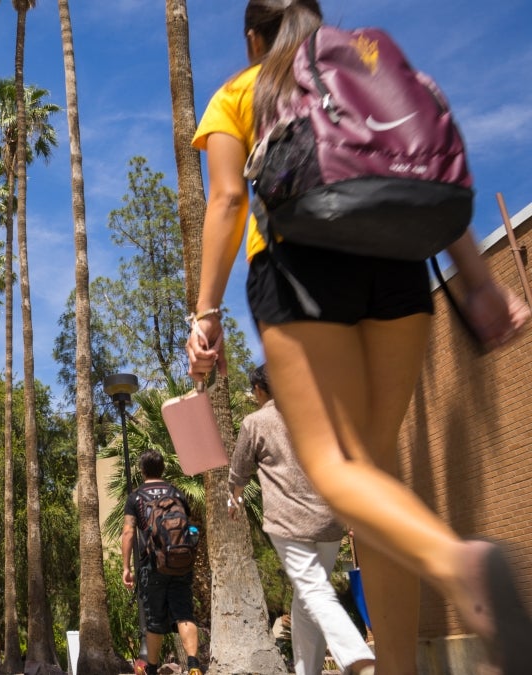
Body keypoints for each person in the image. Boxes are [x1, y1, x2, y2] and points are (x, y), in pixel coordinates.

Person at [186, 1, 532, 673]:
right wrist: (477, 280)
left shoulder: (243, 90)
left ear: (253, 37)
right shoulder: (374, 68)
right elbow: (424, 168)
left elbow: (227, 200)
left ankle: (460, 562)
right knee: (377, 475)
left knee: (335, 466)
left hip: (302, 260)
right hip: (399, 261)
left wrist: (205, 313)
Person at [229, 365, 375, 675]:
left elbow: (238, 472)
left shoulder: (255, 421)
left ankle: (360, 660)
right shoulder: (315, 415)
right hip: (329, 520)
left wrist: (234, 498)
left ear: (258, 390)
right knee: (306, 597)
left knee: (313, 590)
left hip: (289, 521)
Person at [121, 449, 203, 675]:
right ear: (163, 468)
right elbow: (188, 526)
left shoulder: (136, 497)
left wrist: (126, 567)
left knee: (154, 619)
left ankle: (152, 669)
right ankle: (194, 667)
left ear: (142, 470)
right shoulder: (176, 493)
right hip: (180, 562)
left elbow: (128, 532)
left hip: (152, 564)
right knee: (184, 614)